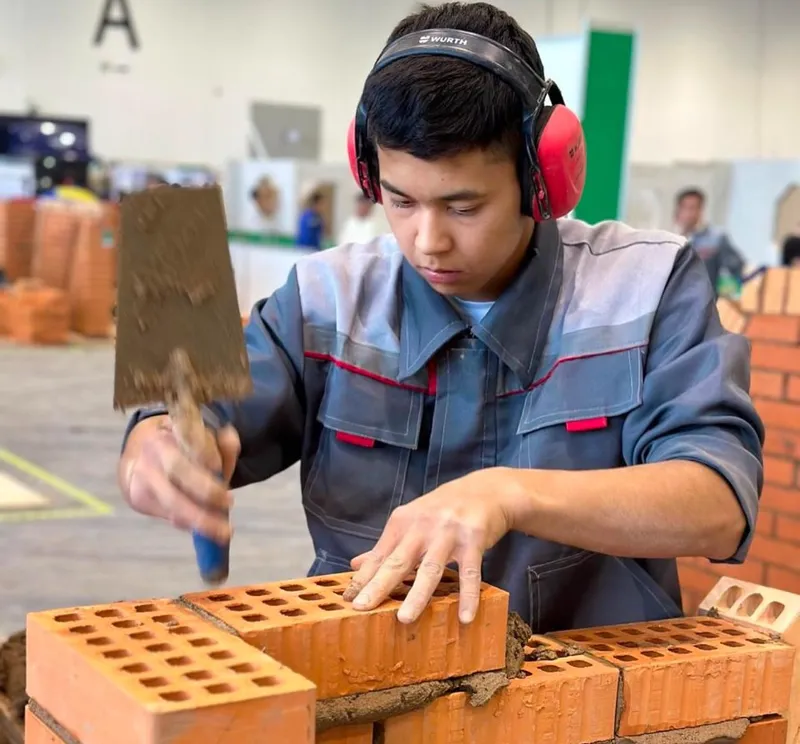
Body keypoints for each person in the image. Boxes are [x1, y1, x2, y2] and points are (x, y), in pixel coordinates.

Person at [118, 2, 764, 633]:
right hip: (377, 684)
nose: (427, 240)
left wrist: (510, 495)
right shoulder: (327, 297)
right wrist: (163, 448)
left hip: (593, 701)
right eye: (400, 200)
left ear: (541, 180)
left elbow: (716, 503)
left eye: (463, 206)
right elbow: (199, 416)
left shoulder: (646, 286)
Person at [674, 187, 745, 295]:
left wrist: (724, 296)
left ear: (701, 210)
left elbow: (736, 267)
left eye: (693, 208)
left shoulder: (716, 238)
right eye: (685, 208)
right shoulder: (671, 240)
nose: (689, 213)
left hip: (704, 304)